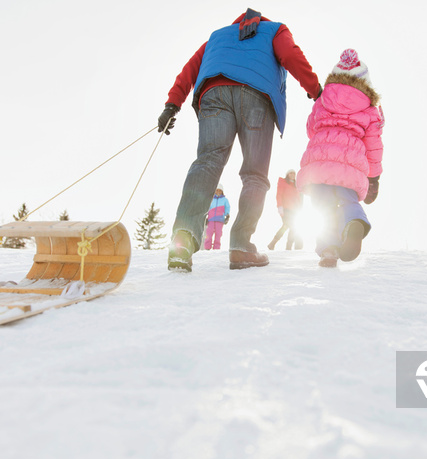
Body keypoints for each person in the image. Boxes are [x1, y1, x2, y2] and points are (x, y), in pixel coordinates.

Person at [158, 8, 321, 272]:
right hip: (256, 96)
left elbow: (190, 70)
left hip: (214, 93)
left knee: (208, 162)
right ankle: (241, 247)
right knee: (255, 174)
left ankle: (183, 239)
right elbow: (290, 55)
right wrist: (316, 91)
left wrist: (172, 104)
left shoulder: (218, 36)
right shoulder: (275, 30)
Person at [297, 48, 384, 267]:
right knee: (347, 201)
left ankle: (328, 250)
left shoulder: (323, 99)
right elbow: (374, 145)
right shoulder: (371, 109)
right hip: (350, 165)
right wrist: (374, 176)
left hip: (319, 163)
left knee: (323, 207)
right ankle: (354, 222)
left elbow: (310, 128)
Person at [267, 169, 303, 250]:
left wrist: (300, 208)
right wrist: (280, 207)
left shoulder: (295, 185)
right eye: (291, 173)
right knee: (288, 225)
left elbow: (298, 198)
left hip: (294, 210)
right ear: (287, 175)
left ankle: (280, 245)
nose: (293, 175)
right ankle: (275, 244)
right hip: (285, 208)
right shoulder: (283, 183)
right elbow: (279, 195)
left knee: (291, 227)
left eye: (294, 173)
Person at [204, 184, 230, 250]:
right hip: (211, 219)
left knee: (218, 235)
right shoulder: (211, 199)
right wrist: (205, 217)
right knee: (209, 234)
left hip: (220, 219)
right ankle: (207, 248)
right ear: (214, 191)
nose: (218, 192)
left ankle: (216, 249)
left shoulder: (224, 200)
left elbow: (227, 207)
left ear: (222, 191)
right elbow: (207, 208)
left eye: (220, 191)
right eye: (217, 190)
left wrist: (227, 215)